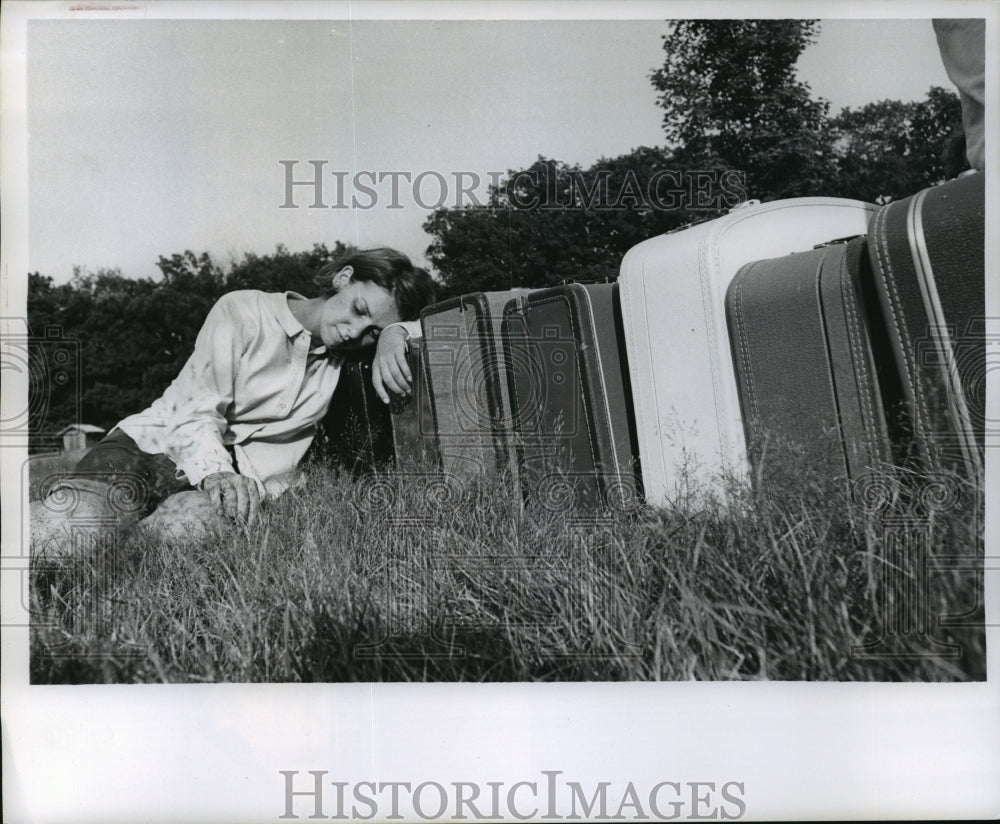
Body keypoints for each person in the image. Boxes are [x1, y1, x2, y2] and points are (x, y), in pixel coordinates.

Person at [31, 246, 436, 557]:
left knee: (183, 532)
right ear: (343, 279)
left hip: (231, 485)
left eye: (371, 331)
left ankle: (111, 550)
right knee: (72, 533)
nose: (354, 331)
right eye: (359, 309)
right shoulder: (243, 309)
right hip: (154, 448)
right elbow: (197, 408)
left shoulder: (342, 361)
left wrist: (395, 333)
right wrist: (218, 474)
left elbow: (444, 320)